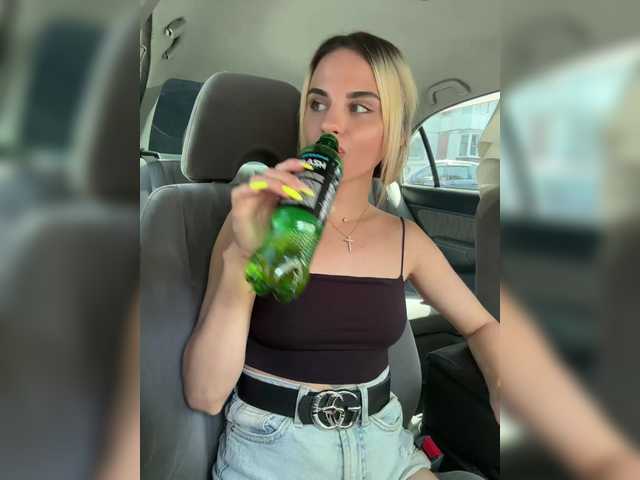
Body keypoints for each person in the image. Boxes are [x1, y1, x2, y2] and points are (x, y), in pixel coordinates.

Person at [182, 32, 499, 480]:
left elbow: (481, 325)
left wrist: (505, 384)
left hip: (385, 446)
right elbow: (205, 393)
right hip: (273, 453)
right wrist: (243, 261)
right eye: (317, 103)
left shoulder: (404, 238)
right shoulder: (256, 222)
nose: (330, 123)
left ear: (393, 132)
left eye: (360, 107)